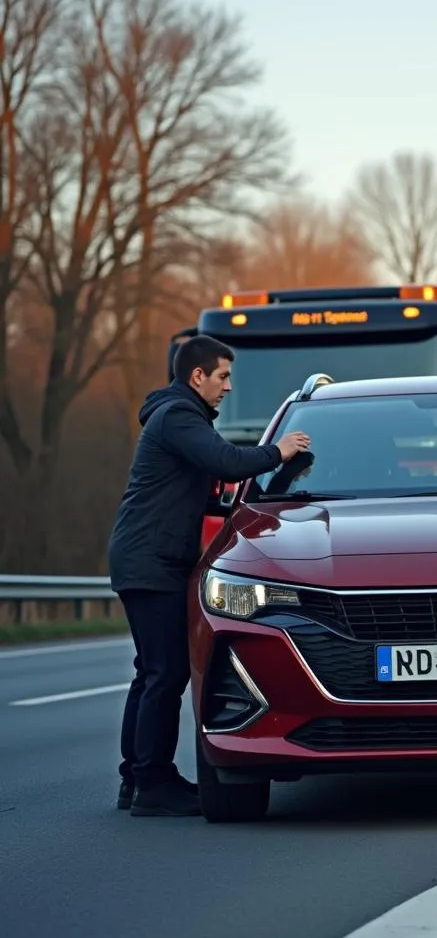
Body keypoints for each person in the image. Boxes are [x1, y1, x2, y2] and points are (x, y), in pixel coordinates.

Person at [107, 335, 310, 817]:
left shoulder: (178, 417)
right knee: (165, 671)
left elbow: (202, 495)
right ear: (197, 376)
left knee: (151, 671)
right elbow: (228, 461)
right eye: (222, 376)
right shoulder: (178, 417)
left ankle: (136, 779)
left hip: (148, 558)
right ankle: (152, 784)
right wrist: (278, 452)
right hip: (150, 562)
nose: (228, 387)